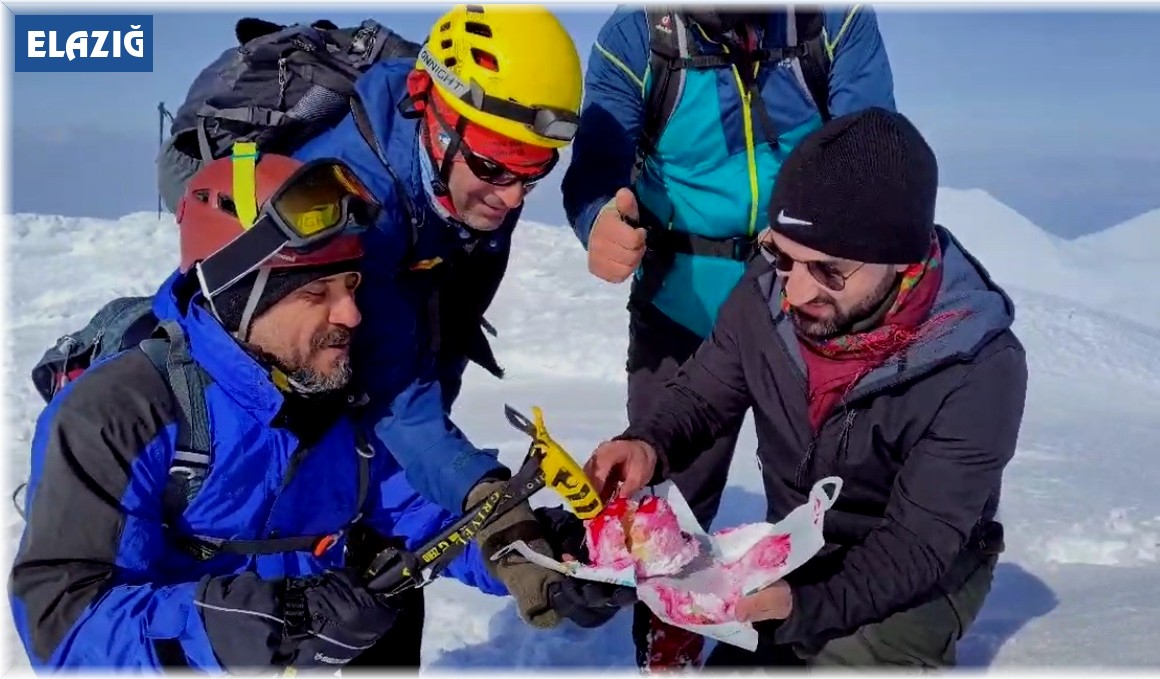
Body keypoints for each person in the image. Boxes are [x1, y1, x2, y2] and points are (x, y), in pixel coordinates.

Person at [8, 153, 624, 671]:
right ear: (239, 297)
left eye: (351, 287)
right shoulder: (120, 414)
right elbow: (63, 624)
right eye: (314, 293)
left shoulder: (337, 393)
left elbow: (416, 508)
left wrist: (531, 547)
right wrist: (263, 622)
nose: (351, 317)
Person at [583, 107, 1028, 669]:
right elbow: (703, 392)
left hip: (916, 580)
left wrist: (801, 607)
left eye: (829, 271)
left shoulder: (977, 365)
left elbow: (917, 546)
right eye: (781, 255)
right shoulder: (769, 290)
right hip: (797, 548)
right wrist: (647, 443)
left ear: (901, 258)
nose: (794, 292)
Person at [560, 5, 896, 669]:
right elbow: (598, 156)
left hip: (804, 307)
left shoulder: (832, 22)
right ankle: (668, 645)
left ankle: (796, 645)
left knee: (819, 498)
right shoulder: (640, 37)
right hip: (682, 307)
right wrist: (597, 218)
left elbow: (871, 152)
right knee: (669, 501)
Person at [291, 4, 586, 550]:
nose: (514, 197)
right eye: (496, 166)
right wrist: (479, 490)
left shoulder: (475, 180)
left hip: (400, 446)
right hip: (300, 461)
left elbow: (447, 322)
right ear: (431, 111)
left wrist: (448, 470)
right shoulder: (350, 206)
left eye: (537, 169)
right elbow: (391, 385)